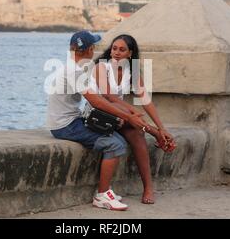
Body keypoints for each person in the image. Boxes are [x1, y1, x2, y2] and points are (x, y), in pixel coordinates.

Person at [46, 31, 149, 211]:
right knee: (114, 145)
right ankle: (101, 195)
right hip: (65, 126)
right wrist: (129, 116)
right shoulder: (75, 71)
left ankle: (106, 191)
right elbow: (97, 101)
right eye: (94, 46)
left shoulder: (74, 68)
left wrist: (129, 115)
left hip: (69, 120)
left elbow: (102, 97)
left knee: (117, 140)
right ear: (90, 49)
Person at [88, 34, 176, 204]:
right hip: (98, 114)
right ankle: (155, 134)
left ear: (130, 53)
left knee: (137, 134)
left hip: (119, 115)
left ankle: (148, 188)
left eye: (122, 50)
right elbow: (109, 97)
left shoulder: (131, 69)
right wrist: (133, 113)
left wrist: (162, 126)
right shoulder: (101, 67)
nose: (116, 53)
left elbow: (145, 99)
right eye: (114, 48)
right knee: (135, 122)